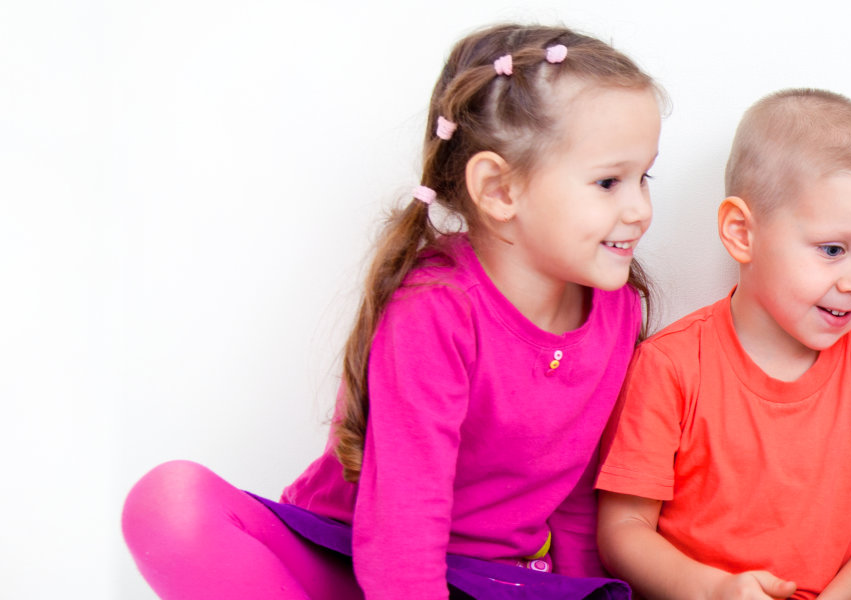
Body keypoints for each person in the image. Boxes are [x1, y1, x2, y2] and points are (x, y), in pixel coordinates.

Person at [120, 24, 662, 600]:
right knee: (169, 502)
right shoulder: (436, 309)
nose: (640, 209)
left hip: (488, 581)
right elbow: (404, 516)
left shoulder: (615, 311)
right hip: (357, 555)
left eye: (643, 177)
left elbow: (576, 499)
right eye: (608, 182)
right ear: (499, 190)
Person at [594, 88, 851, 600]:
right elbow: (623, 531)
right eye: (833, 249)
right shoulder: (670, 365)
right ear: (741, 233)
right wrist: (713, 591)